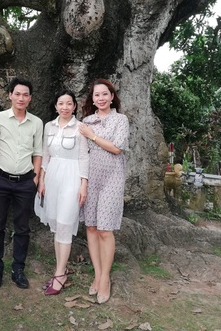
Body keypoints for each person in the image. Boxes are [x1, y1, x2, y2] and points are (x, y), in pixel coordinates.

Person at [0, 77, 43, 290]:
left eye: (25, 95)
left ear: (30, 98)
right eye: (17, 94)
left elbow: (38, 152)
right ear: (10, 95)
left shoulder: (36, 122)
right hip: (0, 180)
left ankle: (18, 268)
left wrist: (35, 178)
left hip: (25, 182)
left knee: (22, 228)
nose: (21, 98)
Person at [78, 78, 129, 304]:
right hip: (91, 178)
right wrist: (83, 181)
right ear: (92, 98)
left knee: (105, 230)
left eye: (104, 94)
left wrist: (93, 136)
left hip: (112, 179)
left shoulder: (121, 120)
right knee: (90, 226)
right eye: (96, 95)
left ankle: (105, 278)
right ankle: (97, 275)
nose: (100, 98)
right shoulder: (86, 121)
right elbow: (81, 154)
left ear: (111, 96)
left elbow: (117, 148)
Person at [35, 89, 89, 295]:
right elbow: (45, 155)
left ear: (74, 106)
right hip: (52, 178)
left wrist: (83, 183)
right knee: (57, 226)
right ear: (56, 106)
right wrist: (41, 179)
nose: (65, 107)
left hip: (72, 177)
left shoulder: (80, 128)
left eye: (69, 103)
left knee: (66, 225)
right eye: (61, 103)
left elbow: (84, 157)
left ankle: (59, 276)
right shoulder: (49, 126)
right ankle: (61, 269)